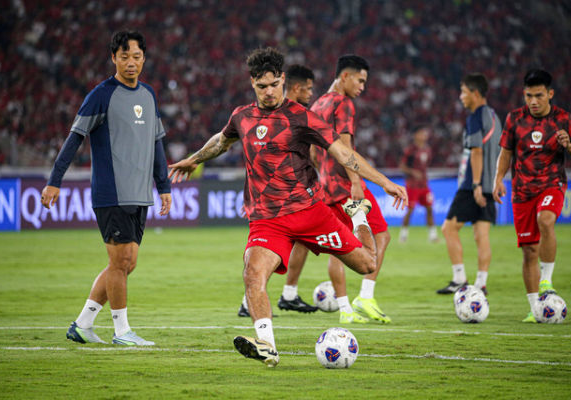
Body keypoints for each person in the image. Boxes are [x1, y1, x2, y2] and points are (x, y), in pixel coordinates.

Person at [168, 47, 407, 367]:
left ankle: (359, 216)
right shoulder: (241, 116)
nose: (268, 92)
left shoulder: (302, 117)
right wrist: (193, 160)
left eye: (273, 85)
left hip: (311, 213)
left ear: (282, 80)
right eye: (261, 86)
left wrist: (383, 182)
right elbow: (221, 141)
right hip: (267, 220)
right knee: (253, 273)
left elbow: (344, 154)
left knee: (366, 264)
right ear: (252, 83)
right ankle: (267, 344)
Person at [41, 31, 172, 346]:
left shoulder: (149, 95)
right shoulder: (101, 95)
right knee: (119, 263)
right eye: (124, 56)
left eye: (136, 56)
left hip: (140, 194)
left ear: (144, 59)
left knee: (127, 263)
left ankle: (83, 325)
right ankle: (122, 331)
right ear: (113, 58)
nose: (131, 62)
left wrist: (163, 185)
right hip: (111, 193)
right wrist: (55, 180)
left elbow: (157, 144)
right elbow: (75, 137)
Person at [309, 55, 392, 324]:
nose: (362, 87)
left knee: (340, 247)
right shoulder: (343, 104)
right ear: (345, 76)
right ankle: (365, 297)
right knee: (382, 235)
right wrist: (356, 182)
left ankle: (345, 311)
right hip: (347, 186)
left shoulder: (318, 103)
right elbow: (345, 149)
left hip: (326, 188)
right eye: (360, 80)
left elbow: (312, 151)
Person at [493, 69, 571, 322]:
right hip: (521, 192)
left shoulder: (563, 118)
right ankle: (535, 309)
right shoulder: (514, 119)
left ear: (550, 94)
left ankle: (546, 281)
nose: (533, 101)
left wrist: (569, 145)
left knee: (546, 219)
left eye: (539, 95)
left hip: (551, 184)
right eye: (529, 95)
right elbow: (506, 152)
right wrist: (498, 179)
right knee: (529, 250)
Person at [237, 64, 318, 318]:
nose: (311, 94)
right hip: (286, 200)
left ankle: (286, 295)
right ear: (295, 86)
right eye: (308, 89)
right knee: (275, 249)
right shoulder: (290, 118)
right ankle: (276, 296)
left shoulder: (294, 114)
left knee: (295, 243)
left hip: (293, 195)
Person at [437, 73, 502, 295]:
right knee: (481, 234)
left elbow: (476, 151)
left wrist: (475, 184)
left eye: (464, 91)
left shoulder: (475, 116)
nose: (461, 96)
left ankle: (459, 279)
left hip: (472, 184)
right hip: (490, 183)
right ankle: (481, 283)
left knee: (448, 229)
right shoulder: (494, 116)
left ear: (475, 93)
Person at [398, 126, 438, 243]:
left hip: (424, 185)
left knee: (430, 208)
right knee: (410, 210)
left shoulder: (428, 150)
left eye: (425, 134)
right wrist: (412, 172)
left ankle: (433, 236)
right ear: (415, 135)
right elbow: (402, 166)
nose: (424, 136)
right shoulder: (410, 150)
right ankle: (403, 235)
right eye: (421, 133)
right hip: (412, 185)